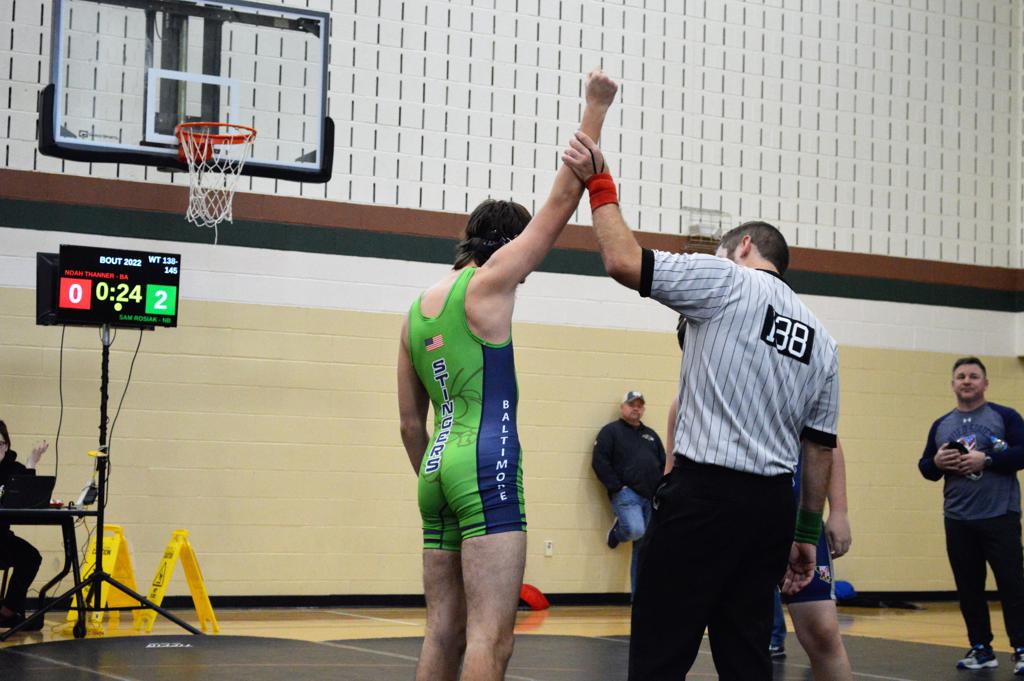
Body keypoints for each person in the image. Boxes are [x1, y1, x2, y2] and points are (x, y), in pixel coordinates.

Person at [562, 133, 840, 681]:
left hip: (705, 499)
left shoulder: (726, 280)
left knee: (660, 656)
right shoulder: (823, 341)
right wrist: (806, 535)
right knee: (746, 657)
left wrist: (598, 181)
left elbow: (622, 261)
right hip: (771, 511)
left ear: (743, 247)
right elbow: (820, 451)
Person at [396, 70, 617, 681]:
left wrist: (438, 478)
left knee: (442, 631)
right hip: (485, 465)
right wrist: (596, 108)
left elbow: (411, 423)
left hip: (435, 470)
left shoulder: (416, 311)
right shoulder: (490, 283)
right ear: (508, 247)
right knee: (490, 639)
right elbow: (560, 205)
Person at [918, 356, 1024, 673]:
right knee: (968, 587)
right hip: (958, 519)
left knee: (1012, 584)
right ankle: (981, 649)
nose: (967, 381)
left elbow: (1022, 453)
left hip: (999, 515)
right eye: (961, 376)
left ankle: (1022, 649)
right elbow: (925, 467)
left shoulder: (1005, 416)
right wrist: (937, 463)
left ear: (985, 383)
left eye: (974, 376)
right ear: (953, 384)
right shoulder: (941, 425)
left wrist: (986, 460)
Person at [771, 441, 853, 681]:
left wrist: (839, 511)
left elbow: (827, 441)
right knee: (742, 635)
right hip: (737, 516)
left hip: (800, 521)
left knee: (822, 631)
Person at [592, 390, 666, 594]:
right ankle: (618, 532)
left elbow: (663, 463)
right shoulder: (610, 432)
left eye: (640, 405)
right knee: (635, 529)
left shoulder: (651, 435)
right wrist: (617, 487)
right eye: (632, 404)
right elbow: (599, 461)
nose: (636, 408)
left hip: (650, 498)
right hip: (627, 494)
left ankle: (637, 598)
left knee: (643, 551)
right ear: (622, 407)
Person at [0, 419, 48, 630]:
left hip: (2, 536)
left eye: (0, 444)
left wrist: (31, 464)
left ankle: (7, 612)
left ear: (7, 445)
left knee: (31, 557)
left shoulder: (14, 469)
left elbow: (29, 501)